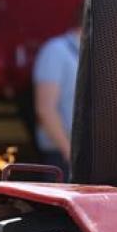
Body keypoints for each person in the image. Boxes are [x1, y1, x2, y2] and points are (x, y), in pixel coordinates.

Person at [33, 9, 81, 175]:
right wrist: (69, 153)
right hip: (61, 156)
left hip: (79, 155)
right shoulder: (56, 51)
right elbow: (45, 109)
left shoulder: (87, 53)